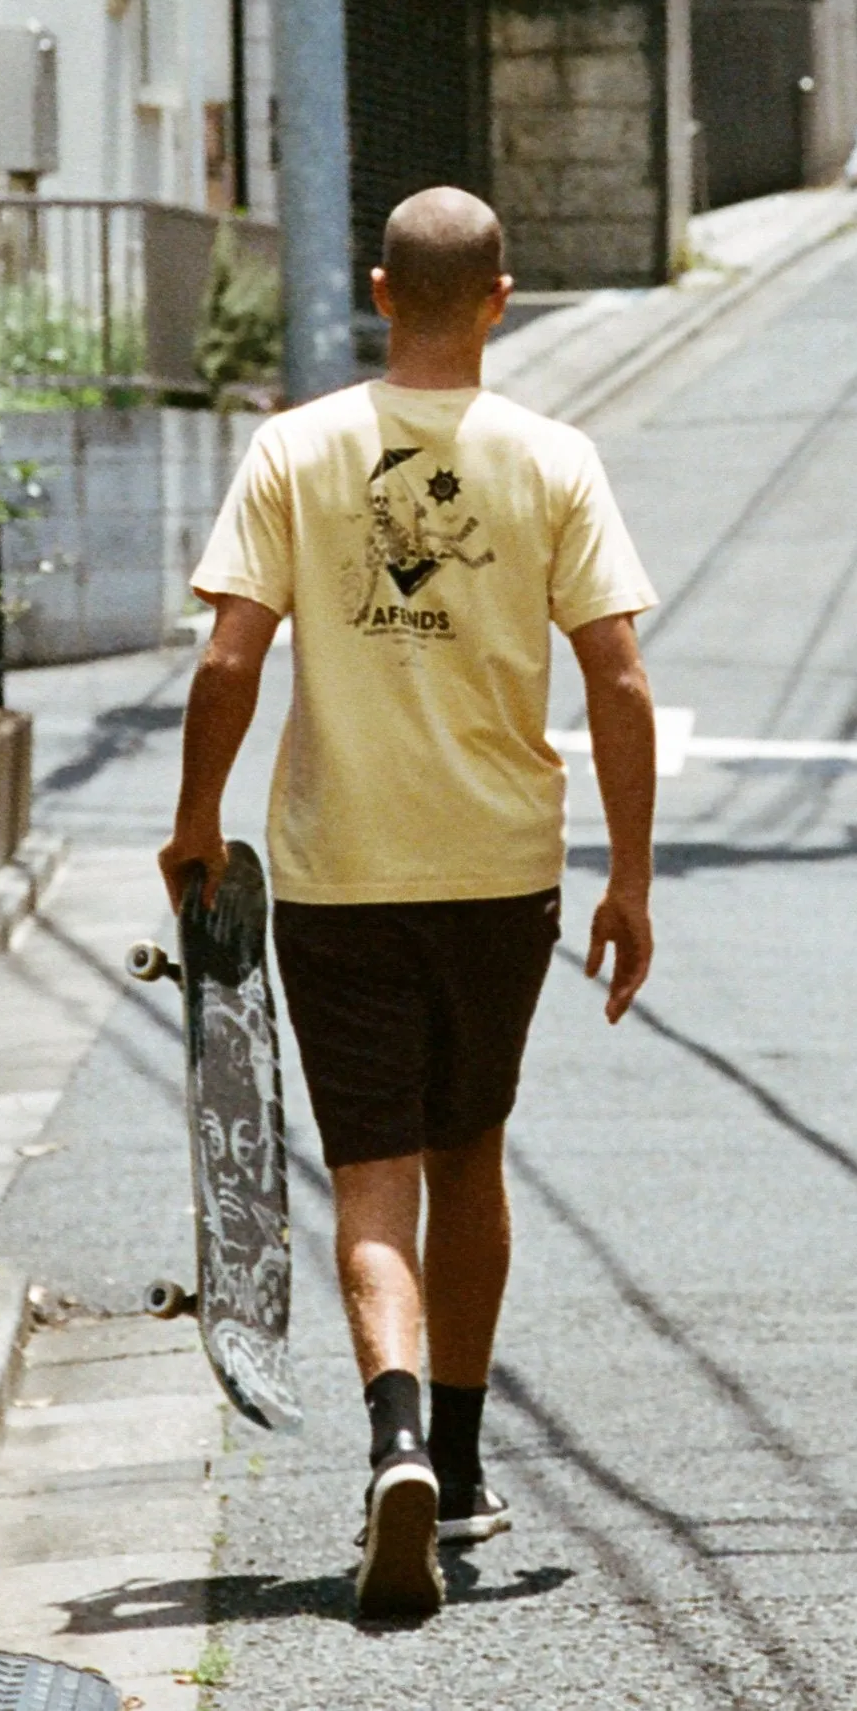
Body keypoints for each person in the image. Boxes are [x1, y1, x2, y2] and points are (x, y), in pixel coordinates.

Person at [159, 186, 658, 1619]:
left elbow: (229, 660)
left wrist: (196, 821)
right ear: (500, 297)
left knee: (371, 1176)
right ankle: (457, 1451)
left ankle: (389, 1444)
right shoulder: (554, 461)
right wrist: (627, 877)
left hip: (339, 872)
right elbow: (616, 679)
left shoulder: (296, 450)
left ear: (383, 290)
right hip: (503, 873)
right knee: (471, 1157)